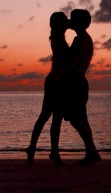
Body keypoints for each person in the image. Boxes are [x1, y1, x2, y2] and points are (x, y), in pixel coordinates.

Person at [26, 12, 69, 164]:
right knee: (52, 118)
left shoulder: (57, 38)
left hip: (54, 80)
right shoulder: (58, 40)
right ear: (60, 24)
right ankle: (52, 151)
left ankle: (35, 148)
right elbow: (62, 63)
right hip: (57, 82)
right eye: (65, 21)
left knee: (46, 117)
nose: (68, 23)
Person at [62, 9, 101, 165]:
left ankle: (93, 152)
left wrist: (62, 74)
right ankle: (91, 153)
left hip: (76, 82)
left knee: (75, 119)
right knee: (82, 119)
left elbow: (74, 61)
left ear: (78, 22)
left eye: (73, 19)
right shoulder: (81, 38)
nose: (70, 21)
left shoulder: (82, 40)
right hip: (77, 81)